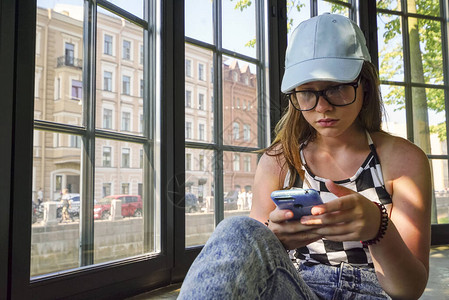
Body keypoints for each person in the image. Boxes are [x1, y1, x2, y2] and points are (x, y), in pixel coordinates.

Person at [178, 13, 431, 299]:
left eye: (336, 88)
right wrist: (276, 239)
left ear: (366, 86)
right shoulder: (279, 160)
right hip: (296, 288)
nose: (322, 107)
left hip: (374, 292)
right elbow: (255, 259)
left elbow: (409, 291)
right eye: (307, 93)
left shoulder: (403, 161)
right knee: (238, 230)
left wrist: (378, 227)